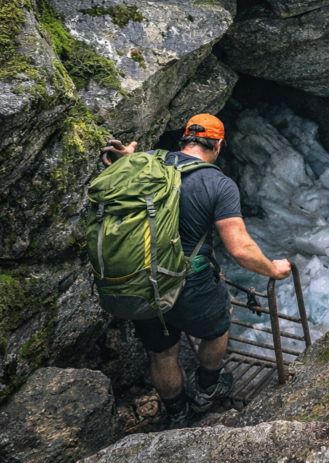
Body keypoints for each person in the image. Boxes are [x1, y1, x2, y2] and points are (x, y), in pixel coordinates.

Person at [101, 113, 291, 428]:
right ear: (217, 145)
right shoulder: (217, 183)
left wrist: (131, 159)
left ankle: (177, 414)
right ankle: (206, 389)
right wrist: (274, 269)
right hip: (192, 285)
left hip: (141, 282)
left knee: (162, 354)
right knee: (217, 327)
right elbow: (240, 249)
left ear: (184, 140)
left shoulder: (147, 163)